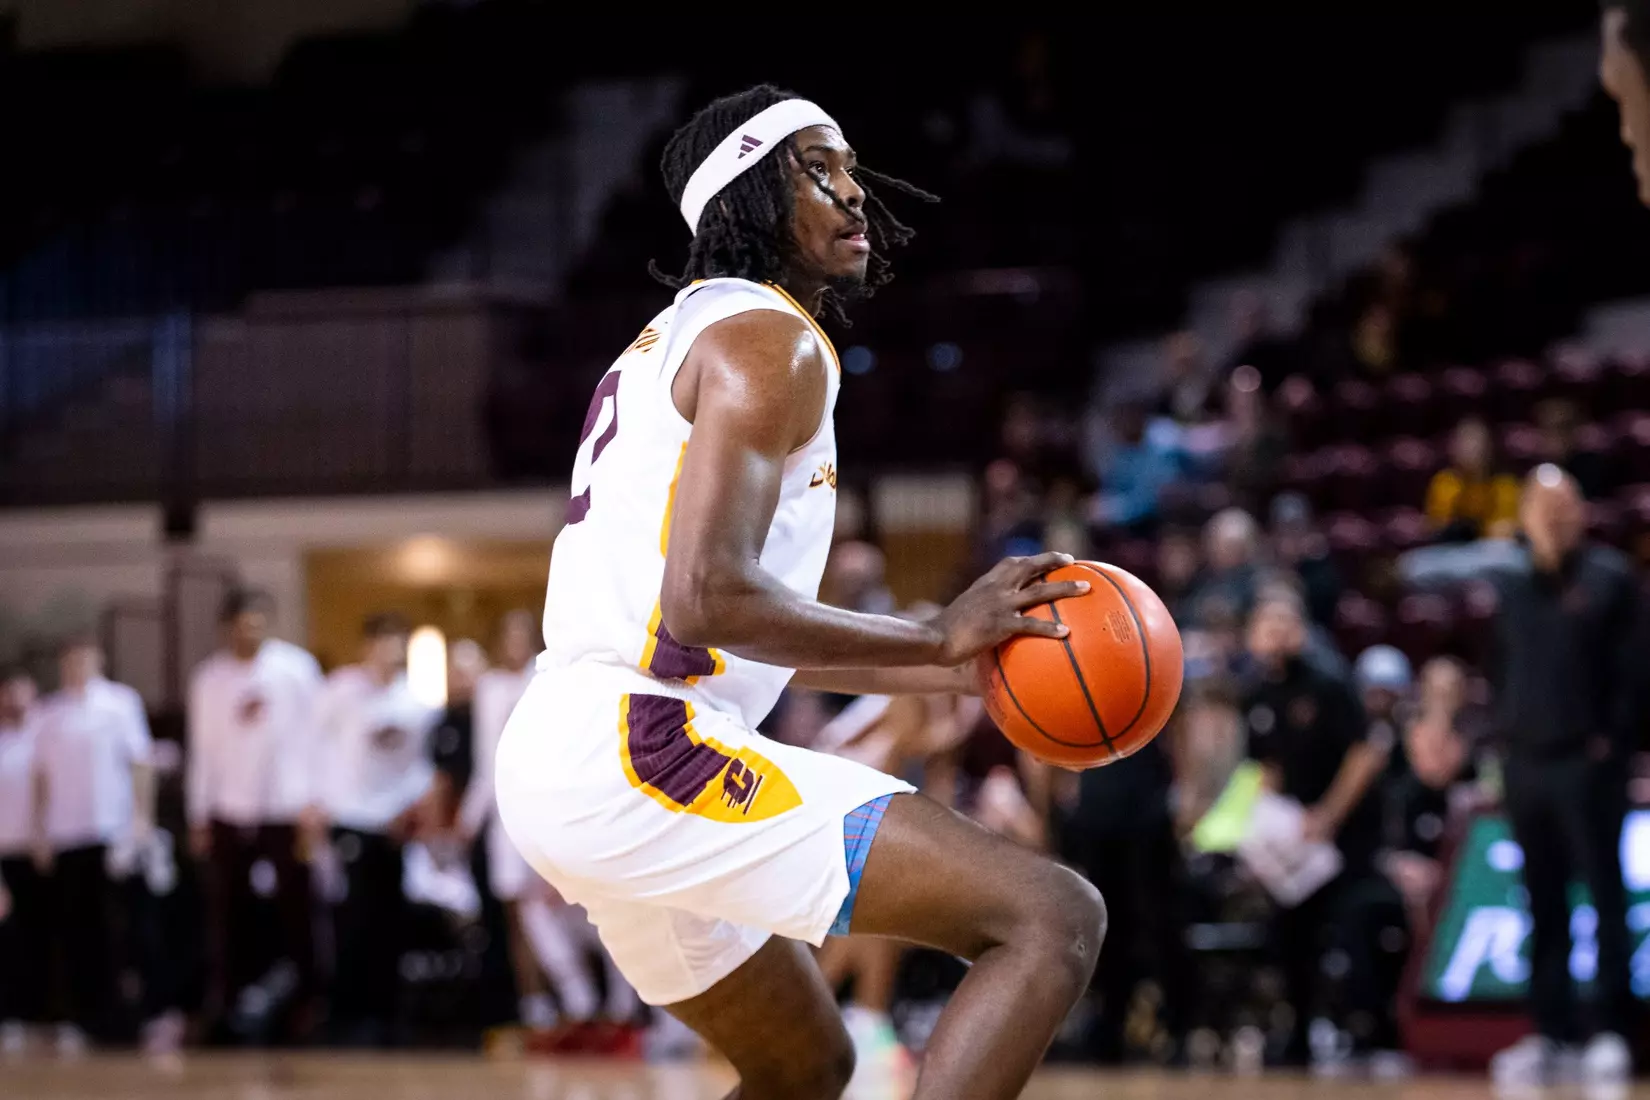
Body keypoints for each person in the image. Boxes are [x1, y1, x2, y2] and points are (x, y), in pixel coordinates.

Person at [495, 84, 1105, 1100]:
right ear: (749, 202)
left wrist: (958, 667)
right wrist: (936, 637)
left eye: (854, 170)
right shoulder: (766, 342)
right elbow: (703, 599)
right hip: (640, 746)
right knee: (1051, 916)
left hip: (584, 747)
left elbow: (738, 624)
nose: (856, 196)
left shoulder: (684, 335)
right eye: (820, 171)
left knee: (802, 1065)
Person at [1407, 466, 1642, 1085]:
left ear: (1582, 512)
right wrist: (1501, 747)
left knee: (1605, 898)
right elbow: (1500, 671)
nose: (1552, 517)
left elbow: (1634, 675)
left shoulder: (1611, 579)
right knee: (1541, 903)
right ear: (1525, 516)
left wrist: (1609, 745)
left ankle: (1612, 1030)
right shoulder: (1511, 586)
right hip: (1526, 765)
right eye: (1541, 507)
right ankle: (1551, 1031)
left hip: (1588, 765)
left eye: (1563, 506)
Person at [1239, 593, 1389, 1066]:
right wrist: (1262, 823)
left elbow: (1366, 753)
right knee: (1289, 934)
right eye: (1268, 623)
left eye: (1286, 622)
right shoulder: (1257, 693)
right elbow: (1266, 767)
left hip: (1343, 835)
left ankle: (1369, 1032)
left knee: (1348, 929)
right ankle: (1300, 1031)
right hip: (1297, 840)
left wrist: (1328, 814)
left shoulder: (1328, 684)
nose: (1277, 633)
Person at [186, 588, 325, 1043]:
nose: (251, 632)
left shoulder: (296, 669)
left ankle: (305, 1004)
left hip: (287, 807)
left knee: (297, 909)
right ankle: (227, 1005)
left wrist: (313, 801)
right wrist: (199, 812)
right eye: (243, 624)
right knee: (227, 912)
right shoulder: (208, 679)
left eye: (259, 623)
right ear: (228, 627)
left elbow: (315, 738)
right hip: (229, 807)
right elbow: (202, 749)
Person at [304, 612, 437, 1047]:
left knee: (390, 921)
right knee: (351, 919)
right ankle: (347, 1012)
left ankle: (386, 1013)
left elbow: (418, 768)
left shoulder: (414, 703)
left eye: (398, 642)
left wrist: (412, 811)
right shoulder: (341, 690)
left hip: (393, 828)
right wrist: (315, 803)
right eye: (384, 642)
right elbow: (313, 746)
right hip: (350, 821)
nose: (391, 651)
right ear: (367, 646)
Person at [31, 635, 155, 1053]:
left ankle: (124, 1018)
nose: (77, 666)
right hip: (67, 836)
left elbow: (140, 763)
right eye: (69, 660)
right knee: (73, 930)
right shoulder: (49, 713)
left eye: (84, 658)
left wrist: (141, 820)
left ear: (98, 659)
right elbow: (40, 779)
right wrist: (40, 830)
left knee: (117, 930)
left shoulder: (120, 704)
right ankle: (81, 1016)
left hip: (111, 834)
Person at [0, 668, 44, 1054]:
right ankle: (10, 1014)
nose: (15, 703)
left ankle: (41, 1015)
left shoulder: (45, 737)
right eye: (8, 695)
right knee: (8, 940)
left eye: (22, 694)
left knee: (41, 937)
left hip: (42, 853)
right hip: (4, 854)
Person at [1423, 417, 1520, 543]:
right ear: (1454, 448)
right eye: (1465, 443)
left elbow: (1507, 528)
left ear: (1489, 448)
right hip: (1451, 549)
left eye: (1476, 442)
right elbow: (1435, 527)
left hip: (1492, 550)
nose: (1471, 449)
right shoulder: (1444, 482)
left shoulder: (1505, 485)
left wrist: (1479, 530)